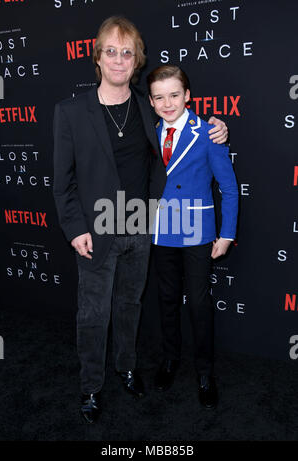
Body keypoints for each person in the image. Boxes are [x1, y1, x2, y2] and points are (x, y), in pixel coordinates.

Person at [53, 16, 228, 424]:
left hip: (140, 224)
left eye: (127, 53)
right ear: (97, 57)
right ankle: (91, 387)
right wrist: (75, 227)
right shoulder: (71, 112)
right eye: (110, 51)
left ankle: (126, 368)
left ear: (136, 61)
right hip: (95, 230)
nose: (119, 60)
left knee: (129, 306)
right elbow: (62, 183)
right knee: (94, 314)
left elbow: (185, 123)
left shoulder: (148, 108)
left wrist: (220, 127)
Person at [147, 65, 238, 409]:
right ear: (152, 102)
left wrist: (227, 234)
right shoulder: (149, 133)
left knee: (199, 304)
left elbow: (228, 188)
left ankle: (205, 372)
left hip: (198, 232)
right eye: (159, 97)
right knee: (167, 299)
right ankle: (170, 359)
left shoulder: (209, 133)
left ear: (187, 96)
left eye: (174, 94)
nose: (167, 103)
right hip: (160, 232)